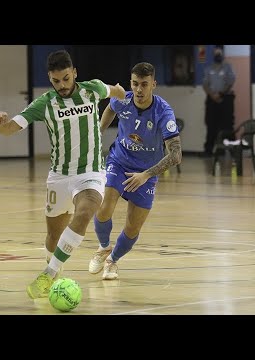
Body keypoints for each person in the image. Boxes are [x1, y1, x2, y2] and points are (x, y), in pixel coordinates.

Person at [0, 49, 126, 299]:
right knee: (53, 235)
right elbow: (10, 129)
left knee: (87, 211)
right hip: (59, 177)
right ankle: (56, 271)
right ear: (50, 78)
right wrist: (0, 124)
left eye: (66, 78)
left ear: (74, 73)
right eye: (56, 81)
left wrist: (123, 94)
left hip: (91, 172)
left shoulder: (92, 89)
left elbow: (116, 91)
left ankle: (49, 273)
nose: (62, 85)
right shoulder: (45, 103)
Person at [88, 62, 182, 280]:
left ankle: (113, 260)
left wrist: (146, 175)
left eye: (144, 85)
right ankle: (103, 247)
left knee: (132, 228)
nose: (139, 90)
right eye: (135, 84)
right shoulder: (124, 99)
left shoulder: (163, 112)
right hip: (119, 161)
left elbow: (176, 155)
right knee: (103, 208)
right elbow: (110, 108)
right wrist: (99, 132)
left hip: (145, 173)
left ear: (153, 85)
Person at [203, 46, 236, 156]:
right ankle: (208, 150)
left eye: (219, 53)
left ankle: (231, 150)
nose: (218, 55)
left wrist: (220, 94)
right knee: (211, 125)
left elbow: (230, 82)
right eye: (216, 53)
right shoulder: (209, 69)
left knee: (227, 125)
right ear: (213, 55)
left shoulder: (227, 67)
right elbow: (205, 84)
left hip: (225, 100)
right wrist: (213, 95)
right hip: (211, 100)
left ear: (222, 54)